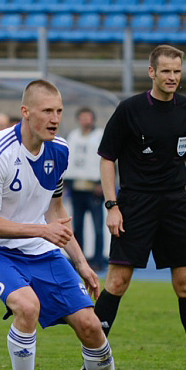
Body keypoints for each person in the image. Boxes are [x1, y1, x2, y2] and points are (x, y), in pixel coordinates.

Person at [0, 79, 140, 370]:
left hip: (40, 248)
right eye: (47, 111)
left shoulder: (58, 151)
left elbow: (55, 213)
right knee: (27, 307)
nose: (55, 118)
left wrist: (81, 264)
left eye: (59, 111)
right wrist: (42, 231)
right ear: (25, 112)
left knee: (92, 326)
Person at [88, 44, 186, 370]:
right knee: (117, 281)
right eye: (166, 71)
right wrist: (112, 205)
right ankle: (94, 358)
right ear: (152, 72)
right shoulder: (129, 110)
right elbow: (107, 158)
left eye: (177, 71)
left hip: (175, 204)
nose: (172, 77)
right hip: (135, 204)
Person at [64, 107, 106, 271]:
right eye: (82, 118)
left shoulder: (99, 135)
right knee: (78, 227)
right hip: (76, 186)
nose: (85, 121)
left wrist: (101, 183)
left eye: (88, 117)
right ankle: (78, 260)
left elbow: (106, 160)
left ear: (93, 119)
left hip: (93, 186)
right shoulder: (73, 136)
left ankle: (97, 260)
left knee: (97, 227)